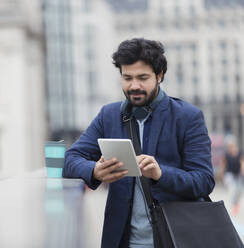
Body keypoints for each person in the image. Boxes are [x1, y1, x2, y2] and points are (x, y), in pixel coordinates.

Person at [63, 38, 215, 248]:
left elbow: (204, 180)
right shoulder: (109, 115)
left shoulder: (188, 117)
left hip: (176, 239)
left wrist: (160, 174)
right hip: (123, 241)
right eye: (127, 78)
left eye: (142, 77)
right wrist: (95, 171)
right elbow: (70, 159)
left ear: (159, 75)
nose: (134, 86)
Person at [220, 137, 244, 215]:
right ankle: (232, 204)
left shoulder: (239, 153)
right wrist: (221, 173)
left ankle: (235, 204)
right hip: (229, 174)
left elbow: (242, 162)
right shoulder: (226, 154)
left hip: (238, 174)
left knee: (239, 190)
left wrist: (242, 170)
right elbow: (223, 164)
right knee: (233, 189)